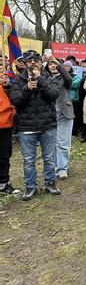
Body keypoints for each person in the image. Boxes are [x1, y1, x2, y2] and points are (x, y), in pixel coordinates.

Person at [10, 50, 61, 200]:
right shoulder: (19, 80)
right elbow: (15, 101)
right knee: (29, 160)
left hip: (48, 125)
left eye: (36, 61)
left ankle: (50, 183)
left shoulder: (48, 77)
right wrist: (27, 89)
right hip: (27, 128)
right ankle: (31, 187)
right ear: (25, 64)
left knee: (49, 158)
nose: (33, 63)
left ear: (40, 62)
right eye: (29, 61)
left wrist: (41, 81)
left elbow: (54, 95)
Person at [45, 58, 75, 179]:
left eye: (55, 64)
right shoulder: (44, 78)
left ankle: (62, 168)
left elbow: (68, 79)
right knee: (51, 143)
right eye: (50, 64)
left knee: (63, 142)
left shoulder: (64, 78)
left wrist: (59, 65)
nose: (52, 66)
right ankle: (53, 167)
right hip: (49, 115)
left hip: (64, 113)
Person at [0, 61, 20, 195]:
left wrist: (7, 89)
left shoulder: (7, 87)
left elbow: (14, 103)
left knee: (4, 156)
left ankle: (3, 183)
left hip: (5, 127)